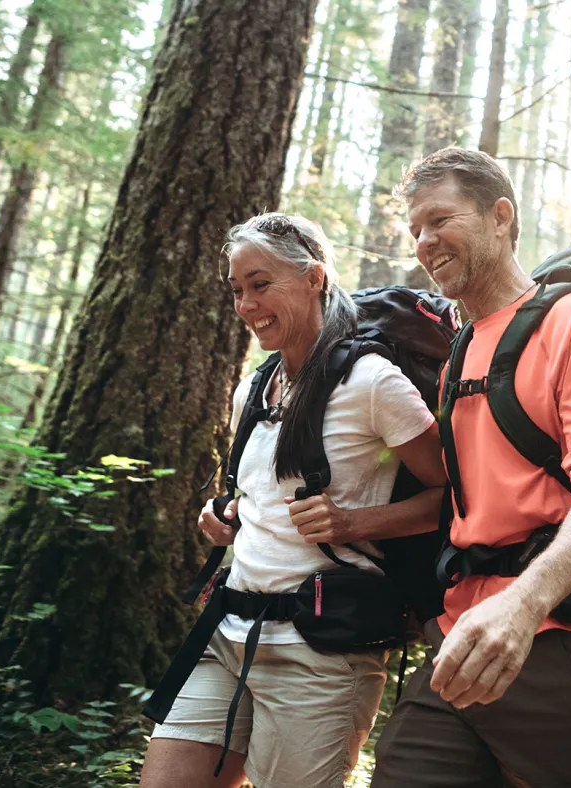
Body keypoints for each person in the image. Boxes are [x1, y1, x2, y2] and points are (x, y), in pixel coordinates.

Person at [372, 148, 571, 787]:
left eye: (441, 219)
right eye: (415, 229)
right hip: (460, 641)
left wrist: (523, 606)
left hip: (568, 639)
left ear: (502, 216)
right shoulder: (458, 355)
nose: (425, 241)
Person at [140, 213, 446, 788]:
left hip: (322, 653)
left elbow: (454, 496)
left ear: (314, 278)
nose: (246, 305)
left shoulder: (374, 382)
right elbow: (261, 494)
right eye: (236, 291)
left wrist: (356, 522)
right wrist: (230, 515)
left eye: (260, 284)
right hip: (228, 635)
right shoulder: (254, 388)